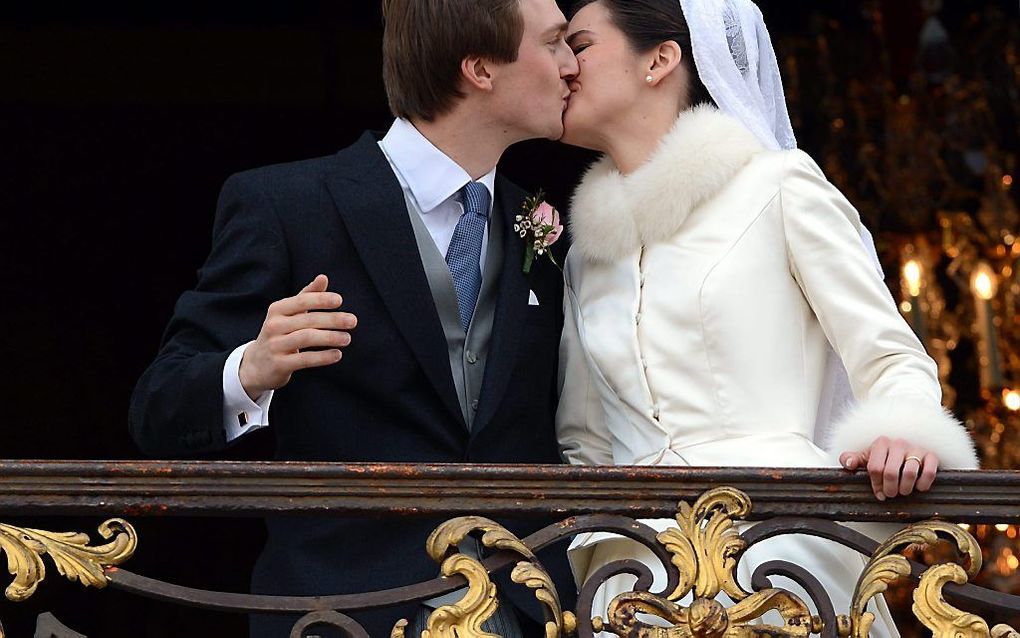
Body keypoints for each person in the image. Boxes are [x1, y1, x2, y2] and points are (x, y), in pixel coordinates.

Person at [129, 0, 579, 635]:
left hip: (526, 608)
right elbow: (158, 406)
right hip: (344, 610)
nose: (571, 66)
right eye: (556, 43)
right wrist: (250, 369)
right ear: (479, 68)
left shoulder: (541, 226)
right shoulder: (286, 205)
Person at [554, 0, 980, 635]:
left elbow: (891, 357)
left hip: (781, 556)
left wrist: (903, 434)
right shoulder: (588, 251)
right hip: (633, 582)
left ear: (660, 60)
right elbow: (584, 441)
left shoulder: (777, 185)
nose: (562, 65)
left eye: (580, 45)